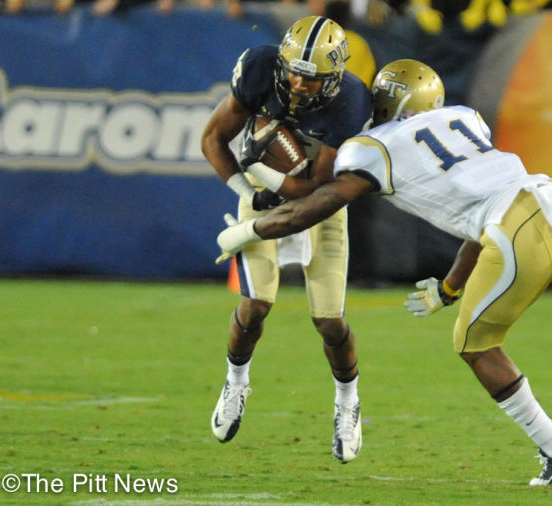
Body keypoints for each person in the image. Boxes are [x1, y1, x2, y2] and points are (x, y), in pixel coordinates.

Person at [214, 58, 552, 485]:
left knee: (474, 345)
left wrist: (247, 232)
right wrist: (448, 288)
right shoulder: (463, 118)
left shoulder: (370, 149)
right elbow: (475, 217)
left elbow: (319, 205)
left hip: (514, 225)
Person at [201, 15, 373, 463]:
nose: (297, 81)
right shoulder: (260, 69)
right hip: (263, 195)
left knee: (329, 319)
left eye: (310, 77)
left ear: (333, 77)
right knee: (255, 305)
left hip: (320, 203)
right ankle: (236, 384)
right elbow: (212, 138)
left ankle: (347, 402)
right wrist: (248, 192)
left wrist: (262, 164)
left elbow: (312, 188)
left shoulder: (351, 101)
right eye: (293, 69)